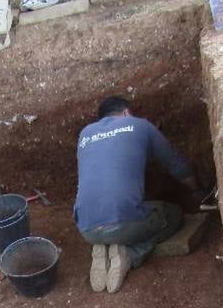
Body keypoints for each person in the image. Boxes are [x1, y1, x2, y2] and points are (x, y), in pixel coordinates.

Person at [74, 96, 205, 294]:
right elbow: (177, 167)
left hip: (86, 229)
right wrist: (197, 191)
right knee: (174, 216)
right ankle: (129, 253)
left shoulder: (85, 134)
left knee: (125, 211)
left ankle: (103, 248)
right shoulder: (139, 125)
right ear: (126, 112)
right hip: (124, 224)